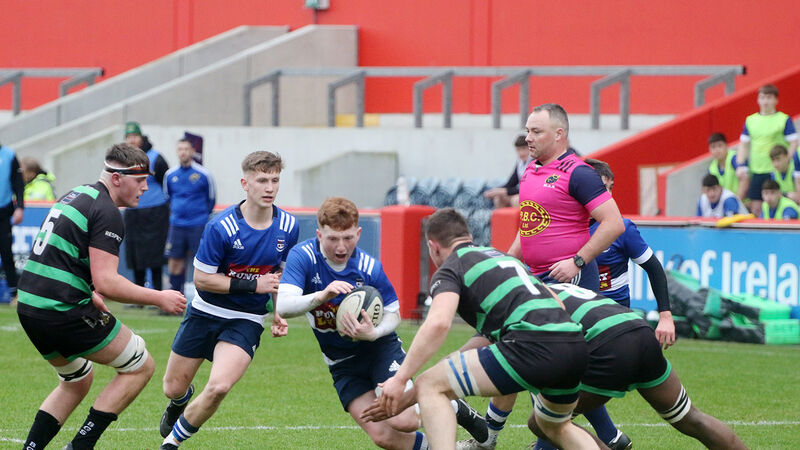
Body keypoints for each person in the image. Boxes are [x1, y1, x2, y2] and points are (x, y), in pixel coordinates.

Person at [373, 208, 599, 450]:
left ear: (433, 246)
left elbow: (438, 323)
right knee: (558, 427)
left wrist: (401, 378)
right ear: (467, 236)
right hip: (575, 344)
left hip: (532, 344)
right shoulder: (504, 258)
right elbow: (557, 302)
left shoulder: (451, 268)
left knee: (429, 384)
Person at [276, 198, 486, 450]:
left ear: (359, 232)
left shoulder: (368, 266)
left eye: (348, 238)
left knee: (404, 419)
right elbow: (284, 306)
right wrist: (322, 295)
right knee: (383, 437)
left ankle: (452, 406)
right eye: (332, 239)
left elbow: (394, 313)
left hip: (379, 350)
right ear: (319, 234)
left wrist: (373, 332)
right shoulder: (304, 257)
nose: (341, 247)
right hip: (341, 363)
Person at [16, 143, 187, 450]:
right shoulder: (107, 211)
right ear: (118, 178)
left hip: (30, 306)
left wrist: (89, 290)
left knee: (77, 380)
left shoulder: (78, 194)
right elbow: (108, 282)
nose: (146, 187)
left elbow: (63, 257)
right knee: (140, 365)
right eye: (140, 180)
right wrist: (159, 297)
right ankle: (81, 446)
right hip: (61, 309)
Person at [159, 151, 298, 449]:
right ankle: (179, 402)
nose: (270, 187)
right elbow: (202, 279)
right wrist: (253, 284)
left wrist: (279, 313)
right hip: (205, 311)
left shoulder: (288, 226)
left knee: (220, 386)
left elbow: (278, 275)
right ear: (244, 183)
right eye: (262, 180)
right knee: (172, 387)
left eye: (275, 180)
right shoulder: (220, 227)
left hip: (246, 319)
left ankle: (171, 443)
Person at [525, 283, 746, 450]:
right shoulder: (544, 287)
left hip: (611, 344)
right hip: (639, 331)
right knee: (691, 418)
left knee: (542, 422)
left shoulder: (521, 302)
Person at [508, 103, 625, 291]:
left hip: (571, 279)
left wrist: (577, 262)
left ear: (558, 134)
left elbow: (614, 223)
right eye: (528, 131)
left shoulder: (579, 173)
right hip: (535, 277)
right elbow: (529, 222)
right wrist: (510, 259)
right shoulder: (530, 170)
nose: (528, 138)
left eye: (536, 132)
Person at [585, 158, 675, 348]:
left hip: (614, 322)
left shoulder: (622, 229)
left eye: (611, 188)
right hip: (576, 321)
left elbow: (655, 269)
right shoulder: (563, 228)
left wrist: (665, 316)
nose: (608, 195)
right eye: (602, 188)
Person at [123, 121, 171, 293]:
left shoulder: (156, 157)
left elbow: (167, 183)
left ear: (141, 138)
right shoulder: (123, 160)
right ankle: (138, 294)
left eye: (135, 136)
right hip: (133, 211)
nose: (132, 140)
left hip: (155, 211)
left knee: (155, 253)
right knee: (135, 254)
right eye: (128, 137)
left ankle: (157, 292)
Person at [164, 138, 216, 296]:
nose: (183, 152)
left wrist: (200, 216)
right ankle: (175, 298)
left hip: (197, 225)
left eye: (186, 149)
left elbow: (211, 199)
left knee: (201, 261)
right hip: (177, 225)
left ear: (192, 151)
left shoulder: (204, 174)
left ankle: (203, 299)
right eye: (180, 149)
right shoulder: (170, 174)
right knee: (174, 261)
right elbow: (167, 197)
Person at [737, 84, 798, 215]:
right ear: (758, 100)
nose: (765, 101)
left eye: (769, 98)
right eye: (763, 98)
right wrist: (741, 165)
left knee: (779, 204)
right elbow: (744, 144)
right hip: (757, 170)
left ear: (776, 100)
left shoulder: (783, 119)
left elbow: (793, 142)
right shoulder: (751, 120)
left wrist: (786, 161)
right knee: (756, 208)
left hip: (775, 171)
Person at [0, 140, 24, 302]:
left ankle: (14, 293)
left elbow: (18, 183)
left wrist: (20, 207)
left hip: (3, 211)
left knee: (6, 252)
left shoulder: (9, 155)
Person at [482, 135, 531, 208]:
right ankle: (501, 219)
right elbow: (511, 183)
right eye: (518, 150)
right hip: (521, 192)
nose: (521, 153)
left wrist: (503, 191)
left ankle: (519, 219)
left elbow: (529, 187)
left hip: (531, 194)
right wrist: (495, 191)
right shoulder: (520, 163)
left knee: (516, 200)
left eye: (524, 149)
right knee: (499, 198)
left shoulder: (535, 162)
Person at [706, 132, 745, 198]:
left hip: (742, 201)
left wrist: (737, 201)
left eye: (719, 146)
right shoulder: (712, 168)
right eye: (713, 147)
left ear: (726, 146)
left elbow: (744, 179)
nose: (717, 150)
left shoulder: (733, 158)